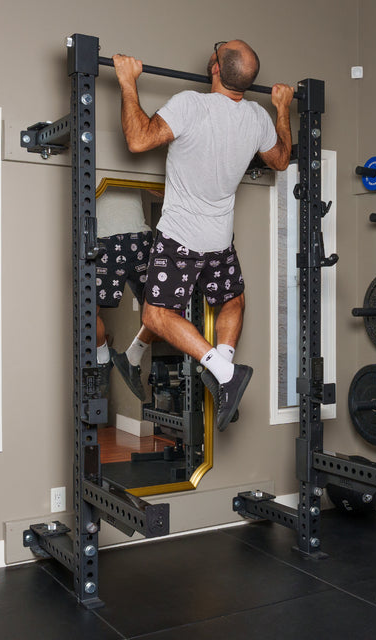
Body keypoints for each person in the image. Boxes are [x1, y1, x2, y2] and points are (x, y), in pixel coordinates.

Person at [112, 40, 294, 431]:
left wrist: (127, 81)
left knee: (157, 315)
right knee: (232, 301)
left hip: (181, 237)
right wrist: (282, 109)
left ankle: (226, 376)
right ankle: (219, 373)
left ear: (215, 67)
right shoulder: (258, 118)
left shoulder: (190, 105)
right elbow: (280, 159)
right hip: (219, 238)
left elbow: (138, 140)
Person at [95, 186, 157, 400]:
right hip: (104, 240)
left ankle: (132, 356)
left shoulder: (135, 154)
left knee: (163, 311)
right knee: (89, 309)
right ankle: (103, 358)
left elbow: (158, 188)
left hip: (140, 237)